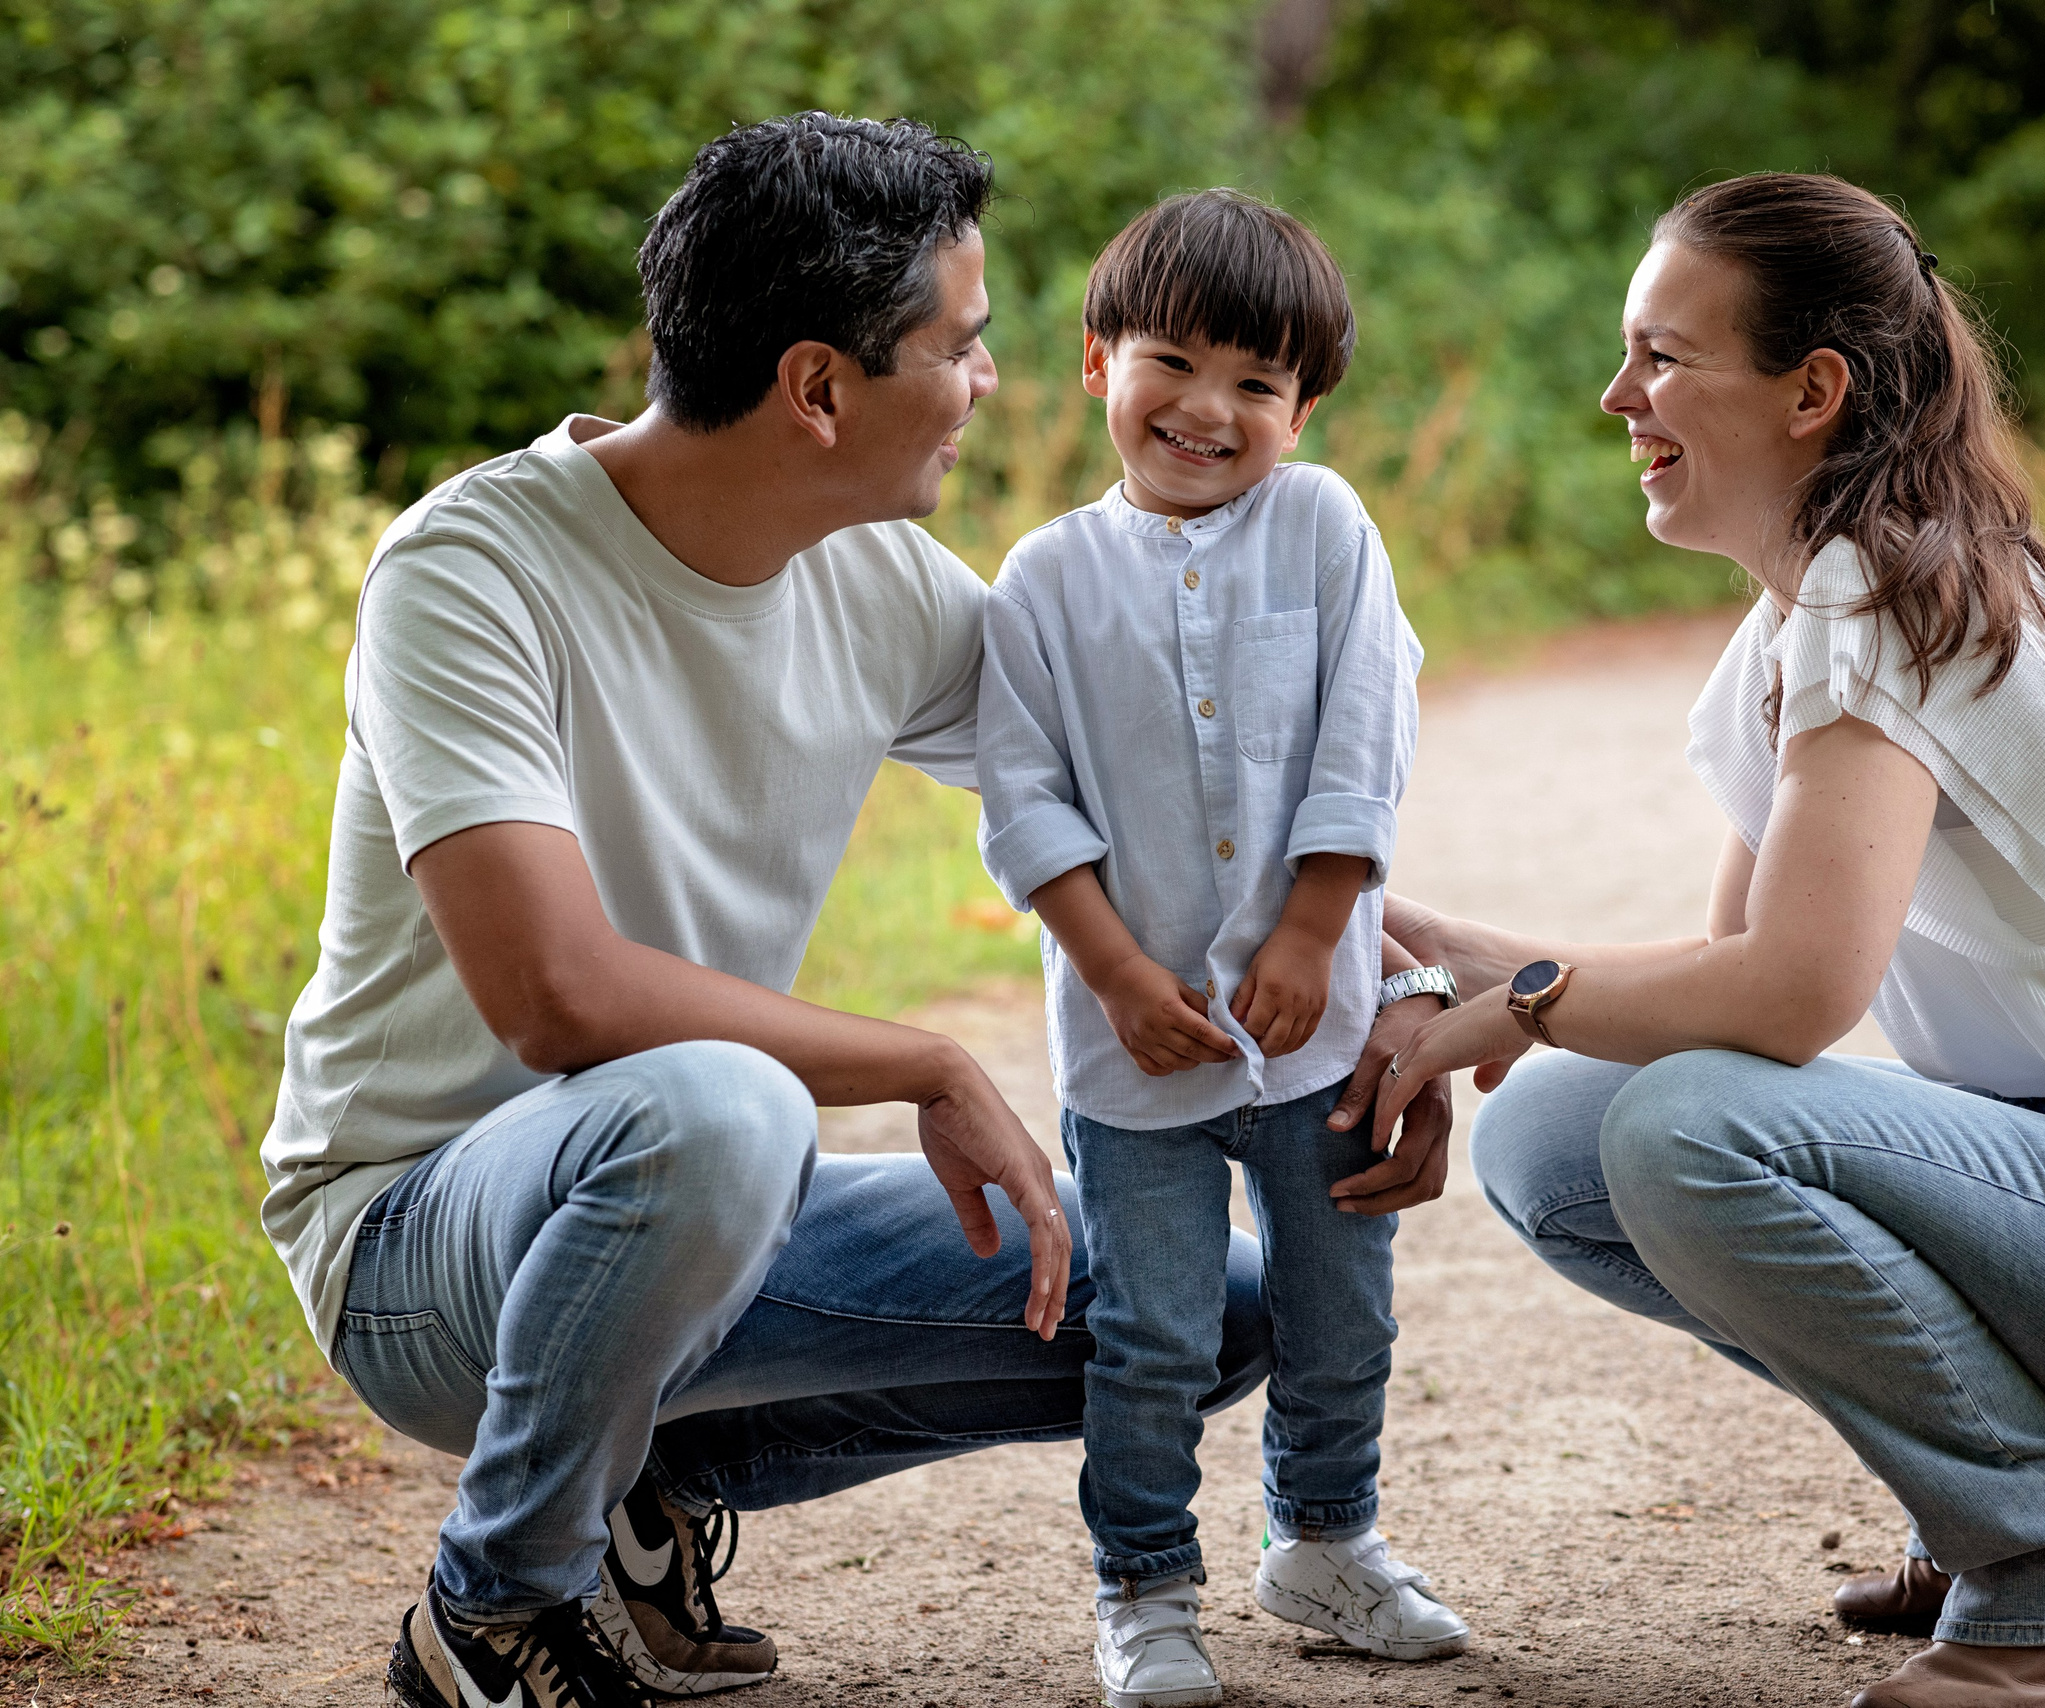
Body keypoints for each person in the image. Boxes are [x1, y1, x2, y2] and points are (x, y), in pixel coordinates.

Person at [258, 116, 1281, 1708]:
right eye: (961, 344)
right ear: (818, 389)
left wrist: (1379, 967)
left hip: (690, 1200)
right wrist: (925, 1062)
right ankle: (496, 1611)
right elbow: (556, 998)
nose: (989, 381)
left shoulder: (882, 582)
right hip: (415, 1239)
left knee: (1203, 1308)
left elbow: (1162, 809)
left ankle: (642, 1495)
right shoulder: (469, 571)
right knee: (725, 1109)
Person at [1368, 172, 2045, 1708]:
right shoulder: (1808, 610)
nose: (1617, 396)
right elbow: (1724, 988)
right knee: (1561, 1138)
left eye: (1663, 357)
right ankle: (1988, 1498)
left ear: (1812, 392)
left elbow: (1787, 1000)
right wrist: (1490, 970)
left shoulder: (1888, 595)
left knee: (1687, 1134)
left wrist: (1528, 994)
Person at [974, 189, 1470, 1708]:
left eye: (1257, 382)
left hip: (1315, 1033)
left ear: (1301, 413)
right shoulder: (1044, 578)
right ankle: (1143, 1587)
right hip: (1134, 1050)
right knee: (1152, 1334)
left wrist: (1320, 926)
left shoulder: (1322, 528)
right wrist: (1121, 976)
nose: (1208, 408)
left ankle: (1324, 1537)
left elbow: (1365, 730)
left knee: (1343, 1311)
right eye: (1173, 363)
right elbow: (1025, 804)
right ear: (1096, 363)